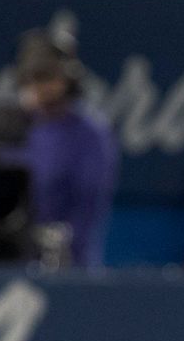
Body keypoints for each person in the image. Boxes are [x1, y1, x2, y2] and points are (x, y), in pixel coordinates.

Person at [11, 29, 118, 269]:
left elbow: (87, 209)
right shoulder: (13, 126)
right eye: (31, 78)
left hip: (67, 264)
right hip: (7, 260)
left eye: (47, 76)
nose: (40, 86)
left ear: (69, 78)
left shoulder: (91, 133)